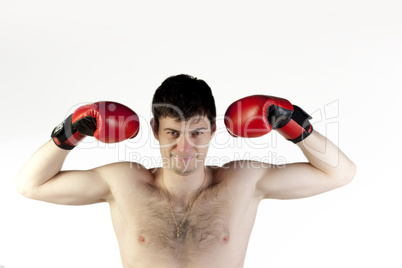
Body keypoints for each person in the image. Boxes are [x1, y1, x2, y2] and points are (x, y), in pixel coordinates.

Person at [15, 74, 356, 268]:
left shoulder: (243, 181)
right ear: (154, 129)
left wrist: (292, 123)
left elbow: (339, 173)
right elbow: (30, 185)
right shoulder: (123, 182)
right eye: (173, 134)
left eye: (196, 133)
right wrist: (71, 131)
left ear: (213, 130)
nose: (184, 148)